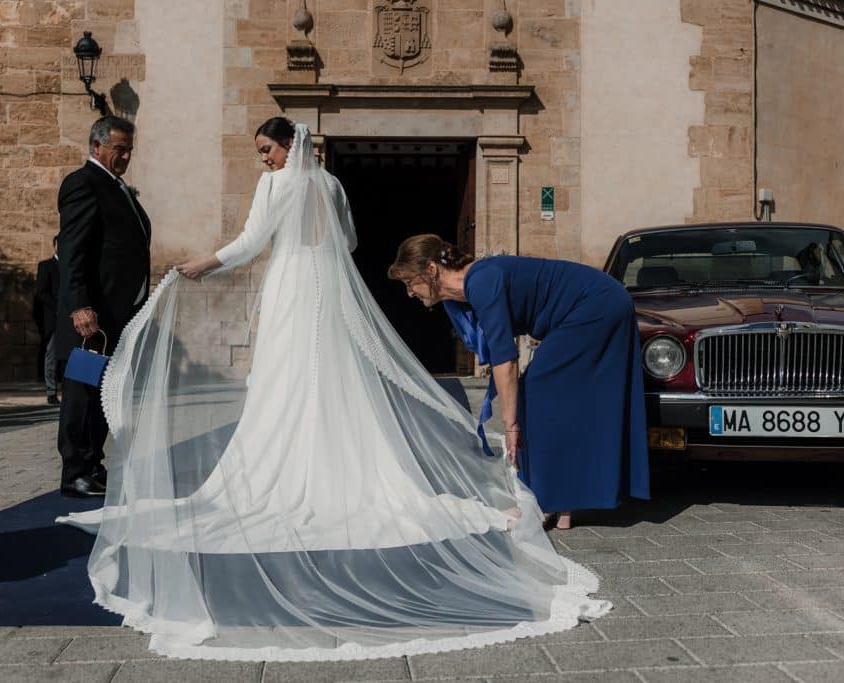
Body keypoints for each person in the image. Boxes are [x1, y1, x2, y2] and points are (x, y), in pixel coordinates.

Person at [56, 119, 610, 661]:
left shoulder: (278, 183)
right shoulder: (330, 182)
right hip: (325, 285)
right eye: (260, 153)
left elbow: (252, 242)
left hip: (291, 288)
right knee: (329, 378)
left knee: (285, 377)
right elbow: (346, 239)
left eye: (267, 150)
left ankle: (290, 464)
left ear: (286, 146)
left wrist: (203, 264)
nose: (264, 160)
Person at [388, 238, 650, 531]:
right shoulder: (464, 293)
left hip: (597, 305)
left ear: (432, 270)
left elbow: (505, 359)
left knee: (535, 390)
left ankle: (543, 500)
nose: (409, 293)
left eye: (410, 282)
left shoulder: (482, 281)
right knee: (548, 396)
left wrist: (510, 426)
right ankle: (559, 501)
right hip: (586, 308)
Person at [55, 115, 151, 498]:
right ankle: (75, 471)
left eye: (129, 149)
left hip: (114, 316)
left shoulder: (117, 186)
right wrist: (80, 306)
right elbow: (72, 251)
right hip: (90, 322)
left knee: (102, 392)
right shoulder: (84, 184)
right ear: (96, 146)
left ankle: (93, 465)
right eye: (119, 149)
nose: (126, 156)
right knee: (81, 391)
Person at [35, 236, 60, 404]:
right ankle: (51, 391)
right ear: (54, 245)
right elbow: (41, 293)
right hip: (55, 318)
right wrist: (58, 308)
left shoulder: (73, 265)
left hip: (72, 318)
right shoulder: (46, 266)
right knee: (51, 355)